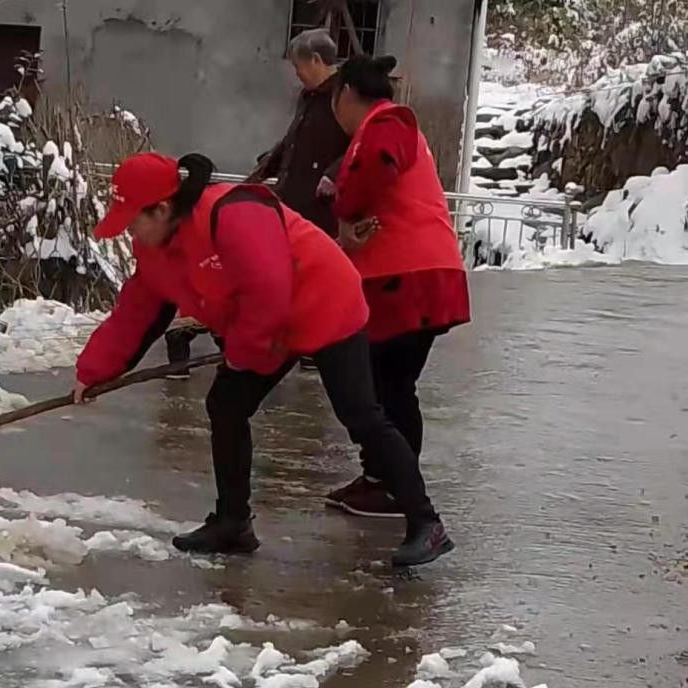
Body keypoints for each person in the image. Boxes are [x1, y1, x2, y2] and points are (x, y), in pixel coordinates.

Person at [74, 152, 454, 568]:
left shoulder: (233, 214)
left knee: (360, 415)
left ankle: (426, 523)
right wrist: (92, 372)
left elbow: (268, 291)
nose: (128, 229)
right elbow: (136, 314)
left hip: (323, 302)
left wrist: (244, 352)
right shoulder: (156, 249)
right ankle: (233, 522)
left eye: (132, 218)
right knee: (226, 404)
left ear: (162, 208)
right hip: (268, 326)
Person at [324, 54, 471, 519]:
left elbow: (373, 171)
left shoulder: (387, 123)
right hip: (411, 276)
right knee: (388, 385)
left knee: (384, 385)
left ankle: (391, 483)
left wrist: (346, 209)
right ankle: (382, 477)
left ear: (346, 93)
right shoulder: (390, 126)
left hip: (407, 278)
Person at [253, 28, 353, 373]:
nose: (297, 73)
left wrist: (335, 173)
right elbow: (293, 139)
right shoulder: (308, 97)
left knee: (317, 275)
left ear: (316, 60)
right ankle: (291, 338)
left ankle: (318, 344)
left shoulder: (344, 95)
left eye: (299, 66)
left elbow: (363, 142)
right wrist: (268, 165)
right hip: (292, 197)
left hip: (322, 205)